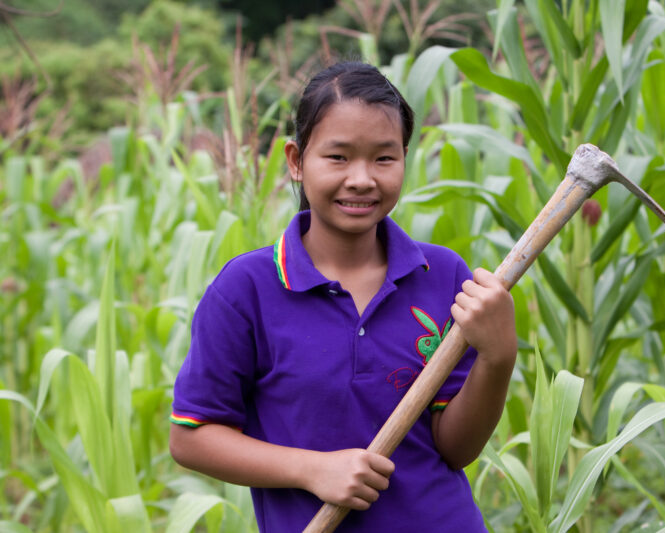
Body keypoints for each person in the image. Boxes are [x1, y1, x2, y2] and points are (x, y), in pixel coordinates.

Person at [169, 61, 517, 532]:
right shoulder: (247, 289)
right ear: (295, 160)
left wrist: (498, 357)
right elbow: (192, 438)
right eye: (338, 157)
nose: (361, 179)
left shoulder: (442, 276)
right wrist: (312, 469)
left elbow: (455, 449)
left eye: (384, 158)